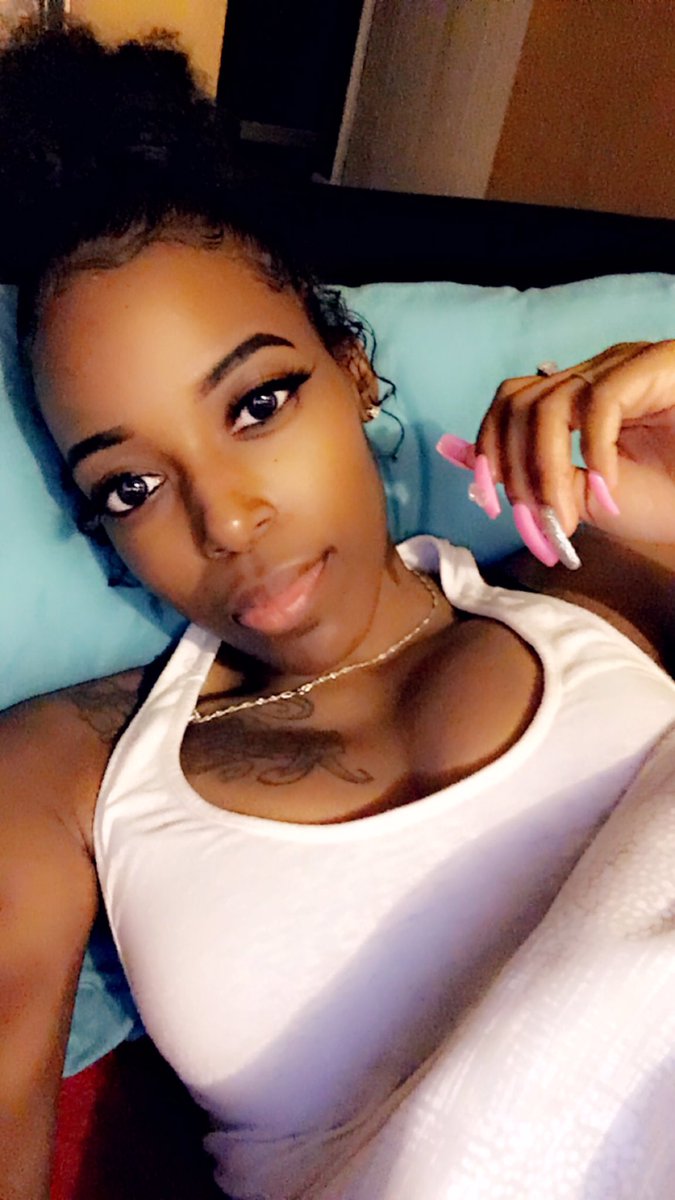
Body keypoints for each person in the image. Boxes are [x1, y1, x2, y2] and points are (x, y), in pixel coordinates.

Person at [0, 19, 673, 1200]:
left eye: (257, 404)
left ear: (354, 373)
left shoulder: (600, 579)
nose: (226, 519)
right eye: (130, 487)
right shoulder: (64, 769)